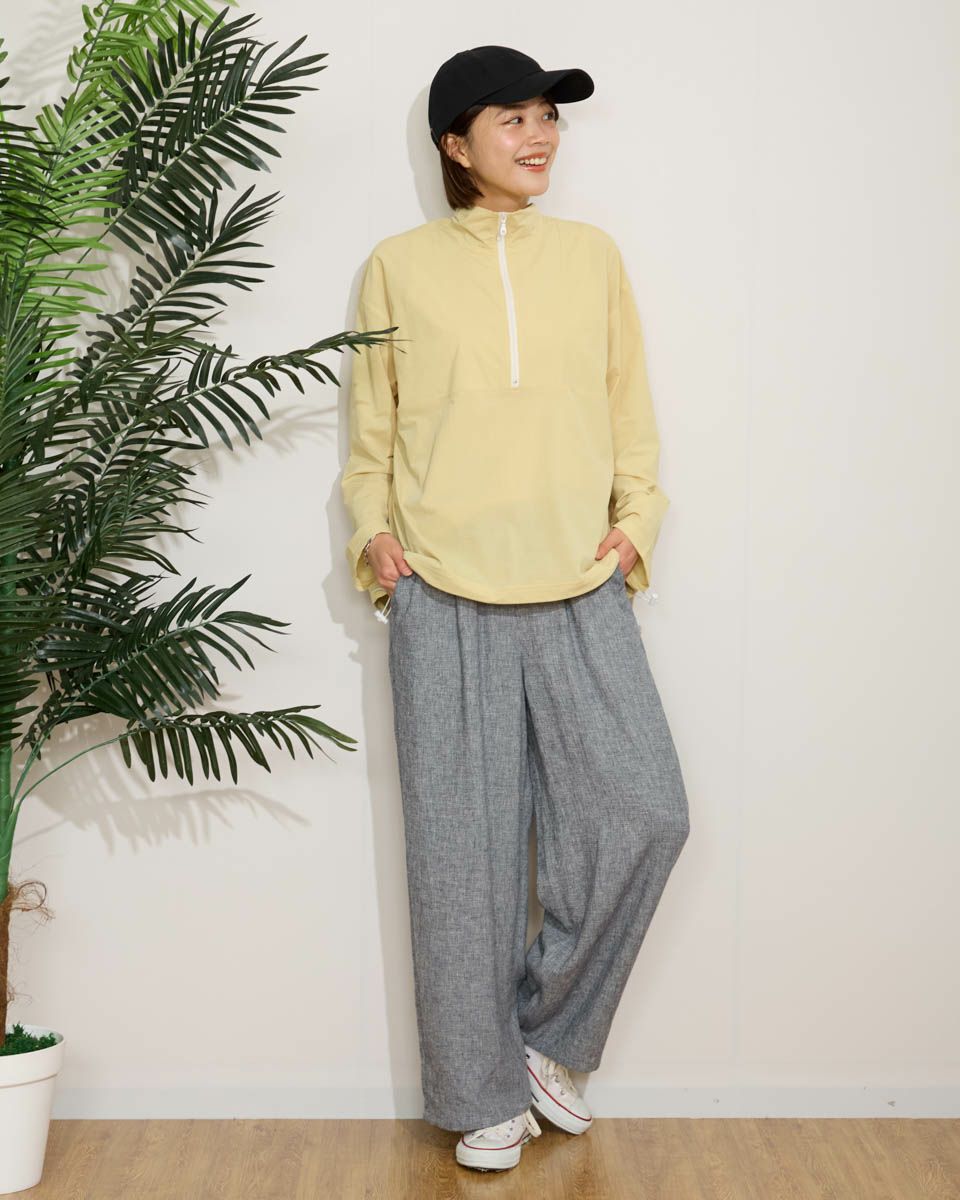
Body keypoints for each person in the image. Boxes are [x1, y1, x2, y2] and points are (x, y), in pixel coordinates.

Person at [341, 45, 690, 1174]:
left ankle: (548, 1042)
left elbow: (629, 408)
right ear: (456, 143)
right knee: (461, 858)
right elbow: (372, 431)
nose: (540, 136)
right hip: (441, 586)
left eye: (548, 117)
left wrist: (638, 521)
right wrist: (373, 536)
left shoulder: (591, 257)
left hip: (581, 579)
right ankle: (477, 1093)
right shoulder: (397, 267)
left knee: (647, 812)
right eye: (513, 118)